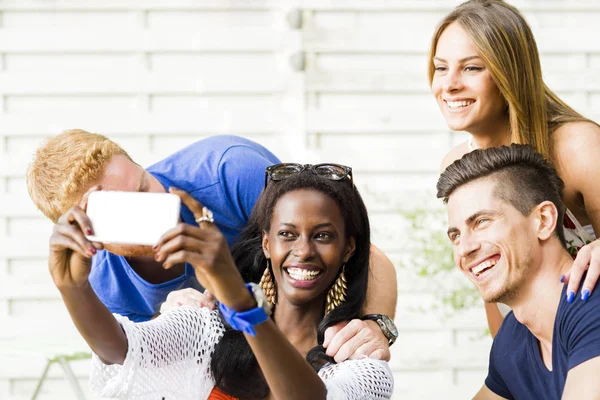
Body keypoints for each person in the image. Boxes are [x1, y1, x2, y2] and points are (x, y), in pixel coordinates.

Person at [26, 129, 398, 361]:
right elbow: (139, 365)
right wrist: (167, 324)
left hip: (313, 343)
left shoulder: (227, 173)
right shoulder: (105, 283)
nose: (155, 206)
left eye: (143, 185)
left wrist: (375, 326)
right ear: (92, 235)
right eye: (127, 211)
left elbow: (368, 258)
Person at [48, 164, 394, 399]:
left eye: (322, 236)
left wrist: (242, 304)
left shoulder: (364, 368)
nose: (302, 251)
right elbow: (121, 349)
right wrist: (73, 287)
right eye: (287, 234)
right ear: (266, 243)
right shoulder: (209, 329)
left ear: (348, 248)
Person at [428, 0, 600, 336]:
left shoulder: (578, 146)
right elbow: (492, 286)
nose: (449, 85)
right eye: (440, 67)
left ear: (509, 72)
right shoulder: (454, 165)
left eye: (472, 68)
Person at [438, 144, 600, 399]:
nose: (464, 249)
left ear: (543, 220)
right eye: (456, 236)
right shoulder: (514, 337)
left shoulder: (593, 306)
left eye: (481, 222)